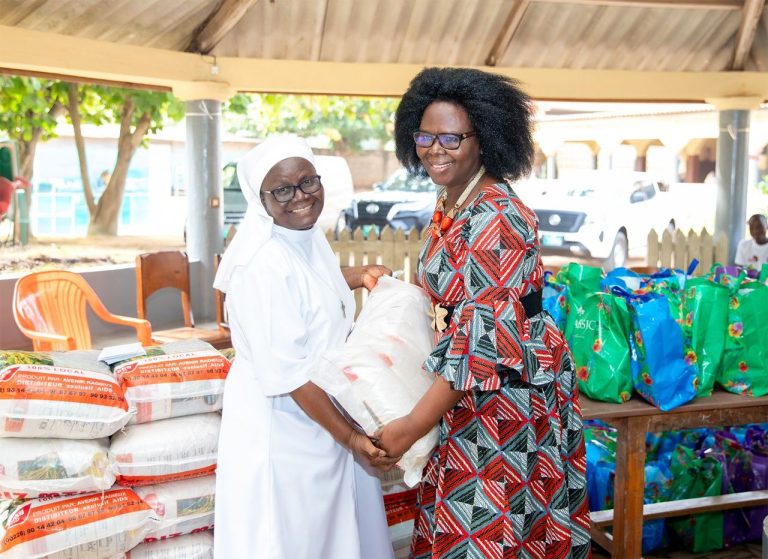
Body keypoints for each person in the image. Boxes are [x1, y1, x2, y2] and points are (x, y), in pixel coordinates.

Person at [374, 68, 591, 558]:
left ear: (485, 137)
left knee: (490, 525)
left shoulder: (494, 215)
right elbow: (453, 296)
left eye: (451, 137)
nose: (435, 149)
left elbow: (483, 339)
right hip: (463, 385)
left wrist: (410, 426)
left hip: (502, 396)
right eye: (425, 136)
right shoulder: (453, 198)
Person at [213, 136, 396, 559]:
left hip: (321, 408)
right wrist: (351, 438)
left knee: (339, 530)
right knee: (293, 536)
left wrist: (356, 275)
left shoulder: (304, 235)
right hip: (284, 423)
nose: (300, 197)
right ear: (261, 200)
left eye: (308, 181)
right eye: (282, 190)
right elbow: (291, 374)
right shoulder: (261, 265)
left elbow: (312, 280)